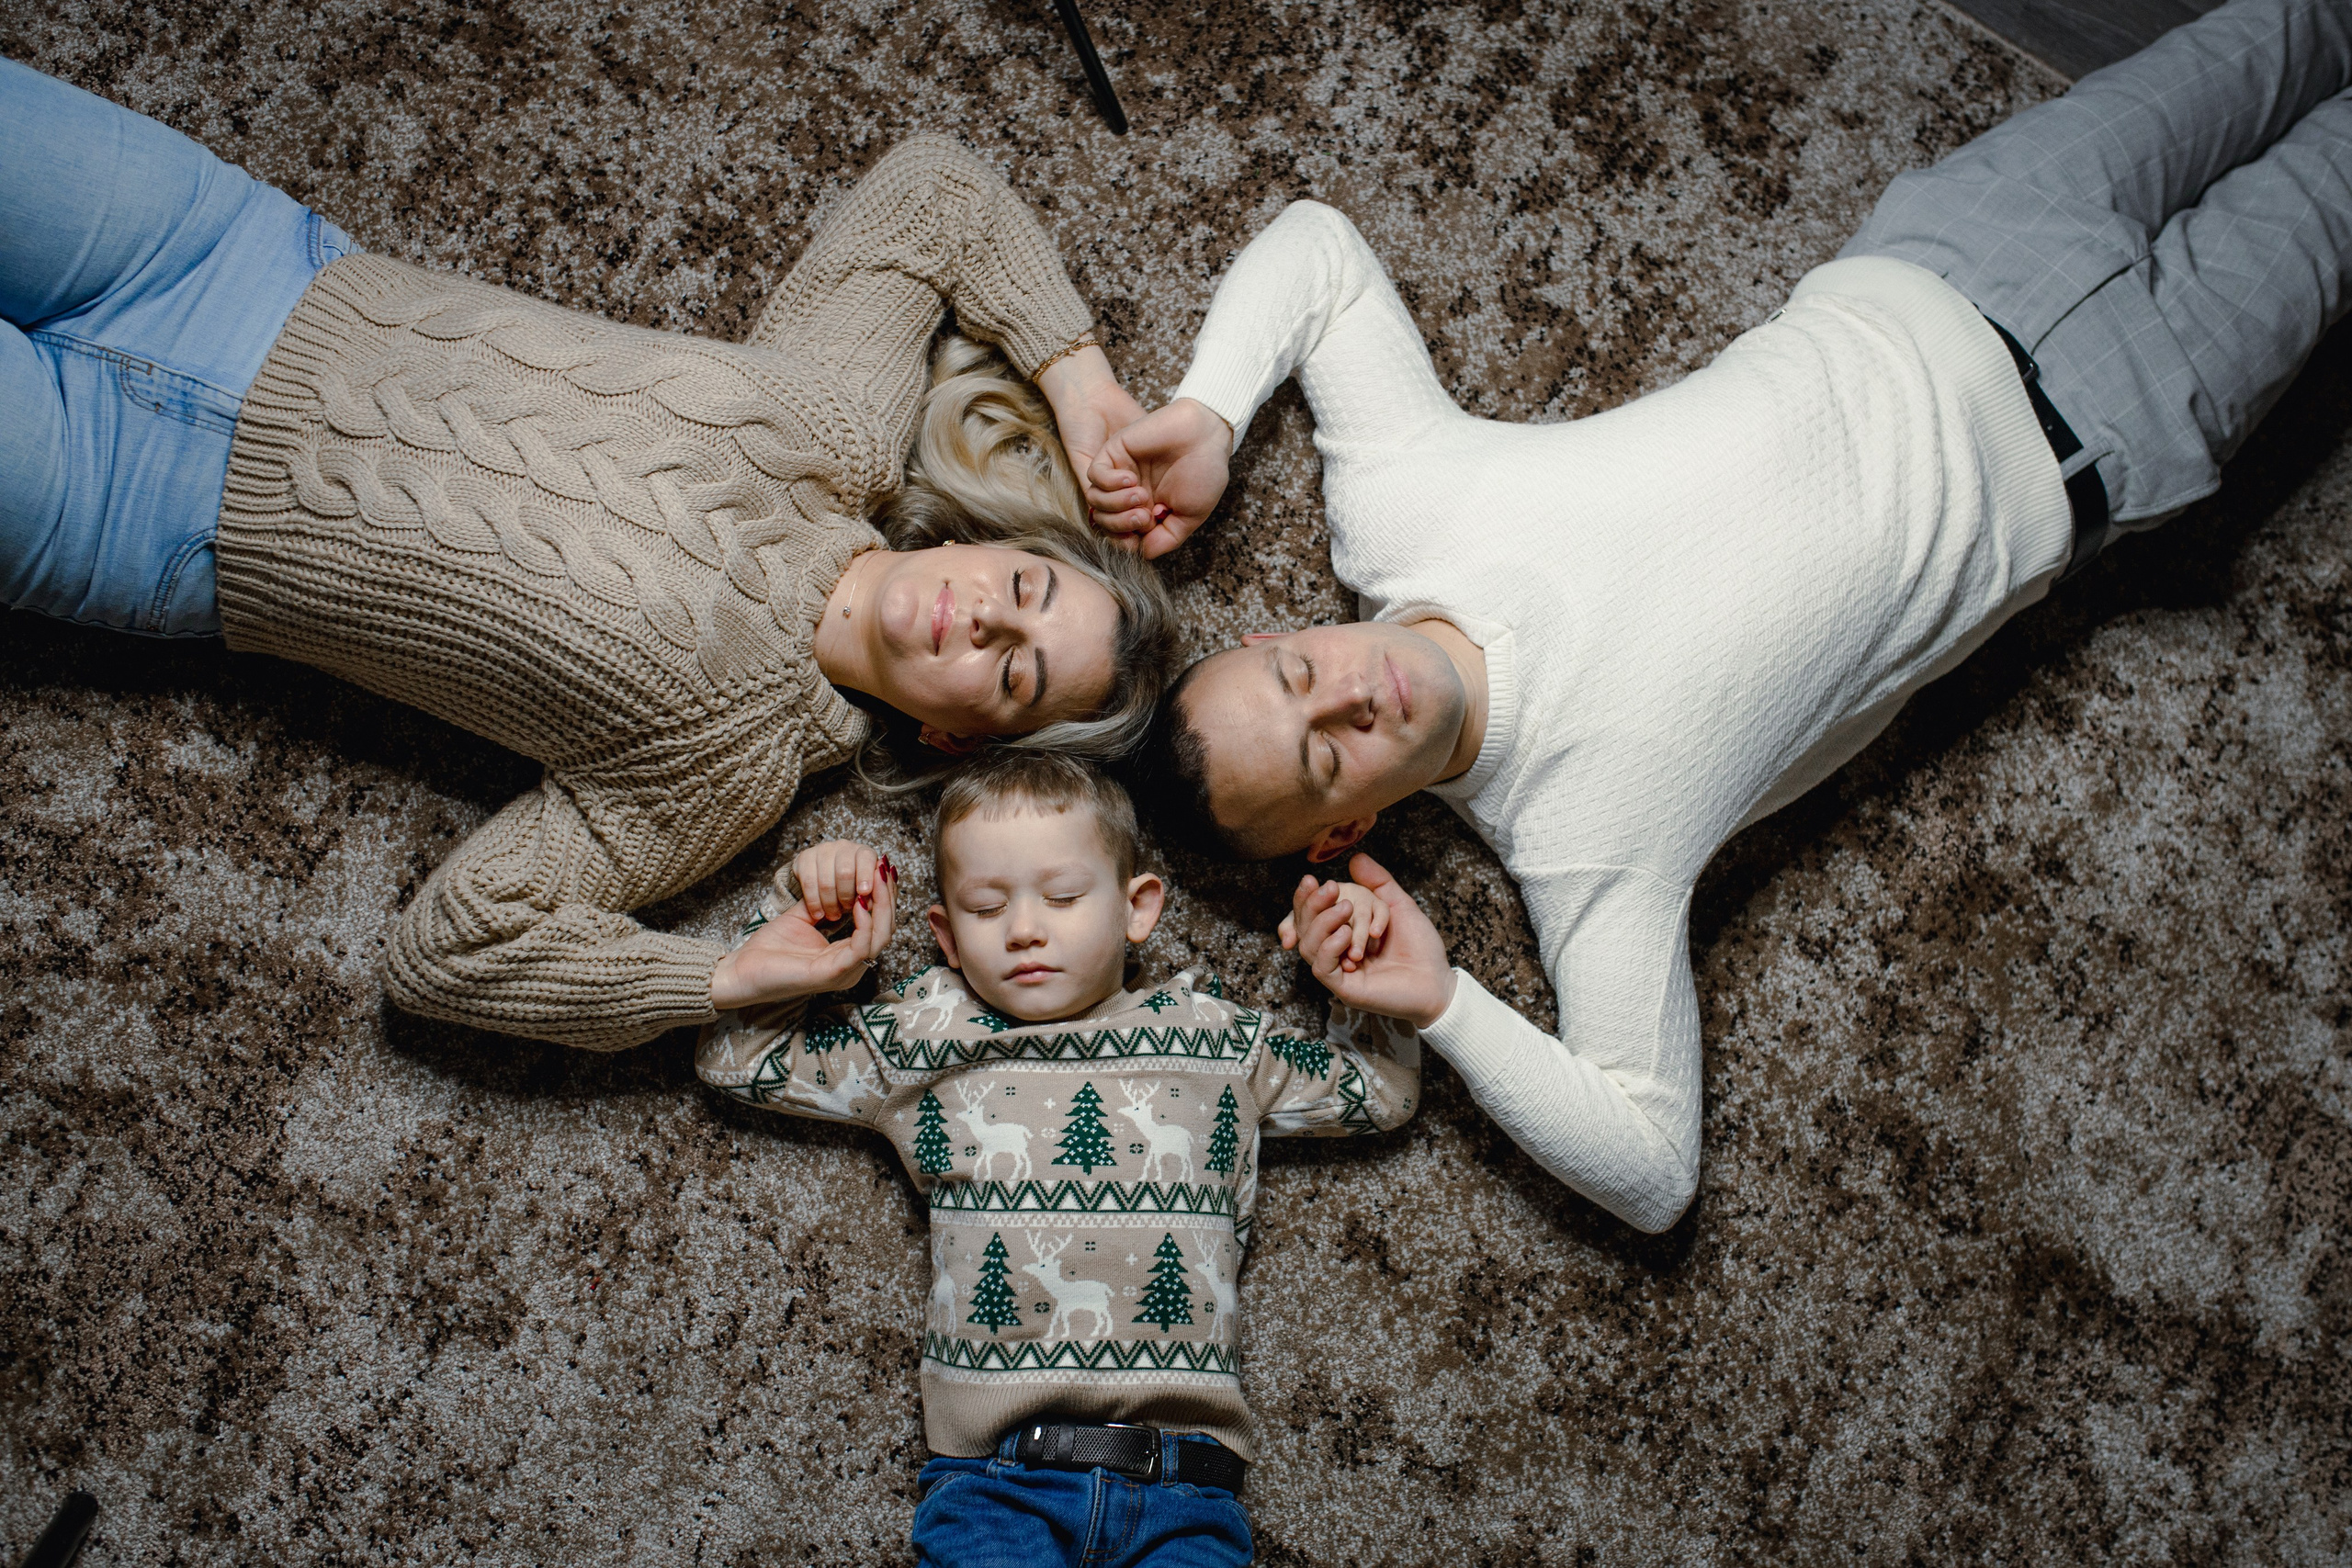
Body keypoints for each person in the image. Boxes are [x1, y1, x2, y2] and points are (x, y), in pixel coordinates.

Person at [1084, 0, 2352, 1233]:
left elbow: (1318, 253)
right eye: (1325, 756)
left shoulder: (1400, 508)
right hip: (2116, 420)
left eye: (1300, 673)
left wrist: (1210, 410)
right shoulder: (1587, 853)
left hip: (1962, 240)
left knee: (2289, 29)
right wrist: (1446, 1003)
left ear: (1278, 637)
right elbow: (1653, 1171)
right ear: (1347, 826)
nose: (1355, 694)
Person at [0, 58, 1176, 1051]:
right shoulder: (836, 423)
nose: (988, 619)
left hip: (132, 510)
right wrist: (1085, 393)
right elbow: (933, 195)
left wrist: (721, 979)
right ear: (984, 543)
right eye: (1024, 586)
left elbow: (448, 952)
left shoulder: (723, 778)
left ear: (955, 738)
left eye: (1013, 671)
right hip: (229, 261)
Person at [695, 751, 1436, 1566]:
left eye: (1062, 896)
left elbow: (1380, 1091)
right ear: (944, 936)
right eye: (985, 906)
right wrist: (801, 913)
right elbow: (736, 1058)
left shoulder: (1215, 1038)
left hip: (1186, 1493)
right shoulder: (922, 1038)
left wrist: (1360, 964)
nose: (1023, 928)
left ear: (1137, 907)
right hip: (994, 1490)